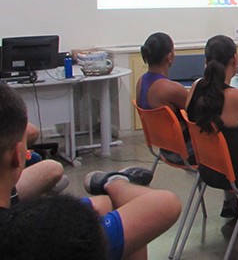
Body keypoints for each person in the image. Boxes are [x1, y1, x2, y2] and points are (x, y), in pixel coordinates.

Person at [0, 82, 182, 260]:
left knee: (93, 195)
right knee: (132, 210)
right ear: (17, 156)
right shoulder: (48, 229)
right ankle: (116, 181)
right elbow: (167, 204)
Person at [185, 35, 238, 218]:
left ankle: (231, 202)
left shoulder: (195, 88)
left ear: (205, 61)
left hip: (208, 168)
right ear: (235, 59)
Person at [135, 32, 193, 165]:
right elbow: (198, 111)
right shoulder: (171, 89)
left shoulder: (140, 82)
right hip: (184, 152)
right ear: (169, 56)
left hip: (163, 148)